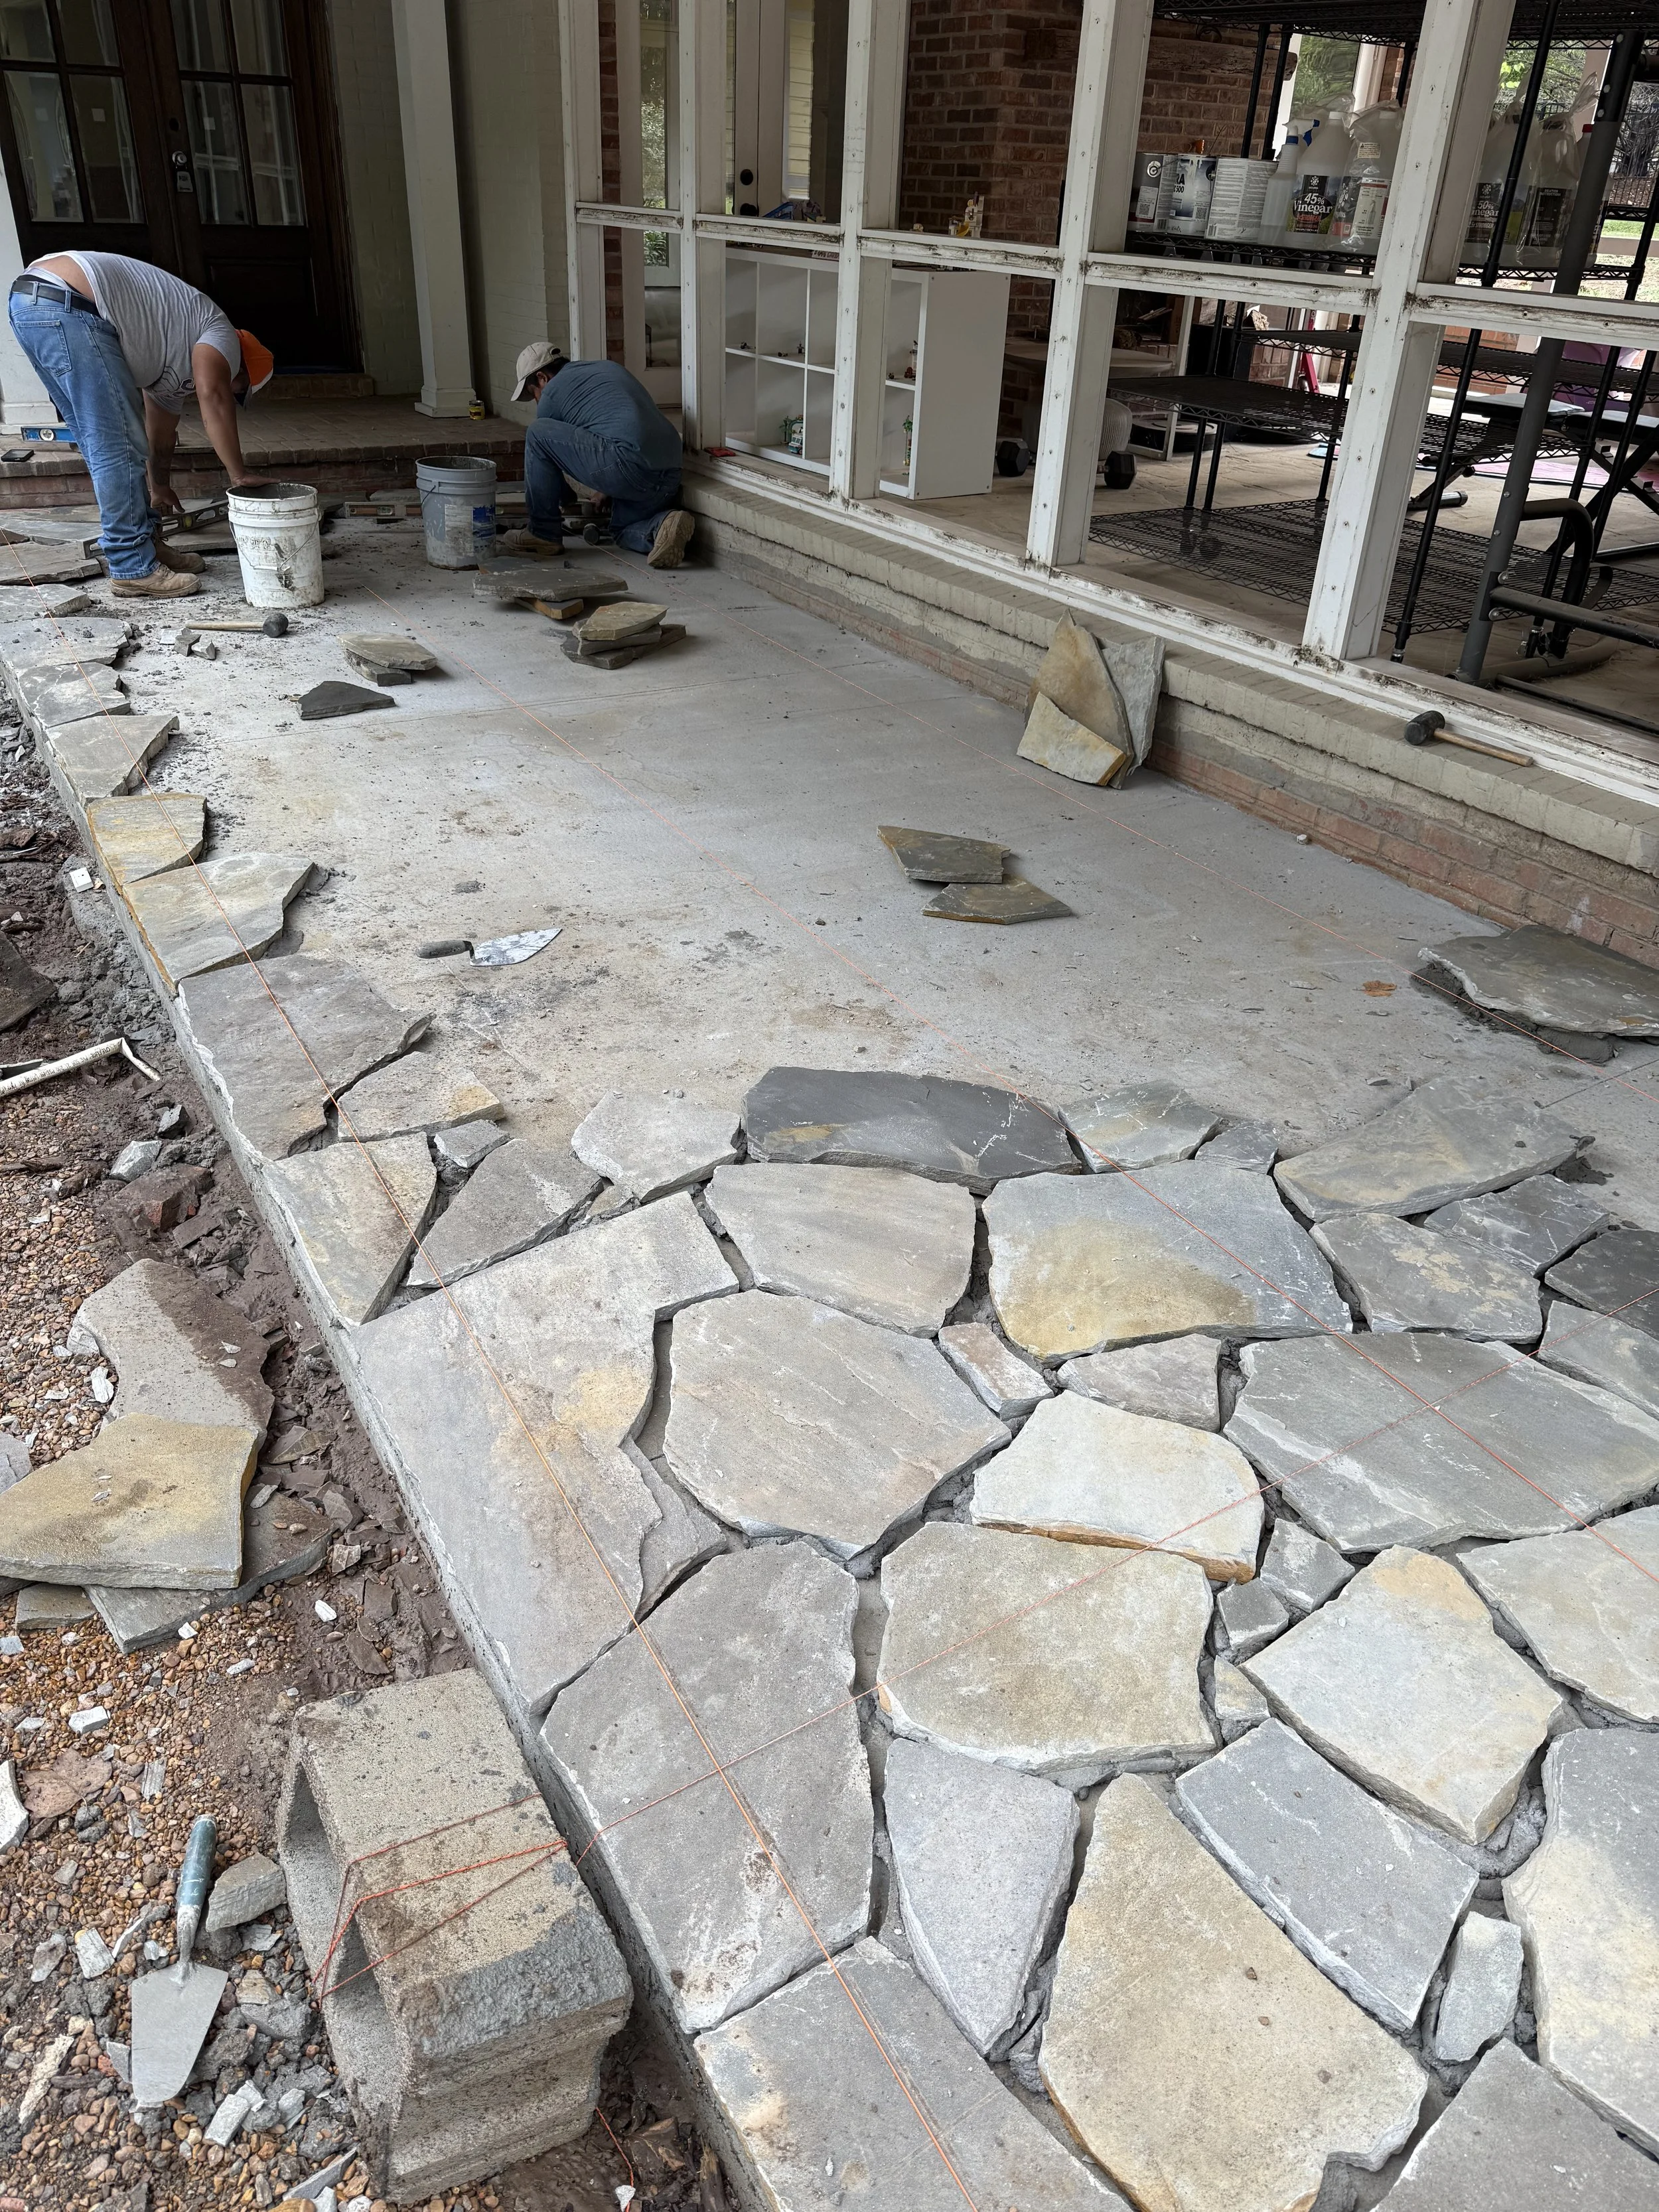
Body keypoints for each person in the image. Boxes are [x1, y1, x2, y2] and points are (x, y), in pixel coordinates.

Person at [7, 251, 275, 600]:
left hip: (37, 304)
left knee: (112, 441)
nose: (229, 387)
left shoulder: (172, 365)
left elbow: (158, 438)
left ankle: (144, 545)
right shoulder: (220, 332)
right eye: (239, 387)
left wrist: (160, 487)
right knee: (116, 444)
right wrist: (239, 474)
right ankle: (132, 565)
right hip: (68, 305)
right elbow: (215, 395)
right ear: (241, 367)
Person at [507, 342, 694, 568]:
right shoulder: (606, 368)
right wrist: (607, 486)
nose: (538, 401)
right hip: (670, 468)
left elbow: (552, 461)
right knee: (622, 530)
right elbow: (618, 426)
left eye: (533, 393)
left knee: (537, 433)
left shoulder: (552, 395)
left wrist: (565, 499)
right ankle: (663, 525)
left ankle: (542, 533)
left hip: (627, 466)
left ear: (542, 378)